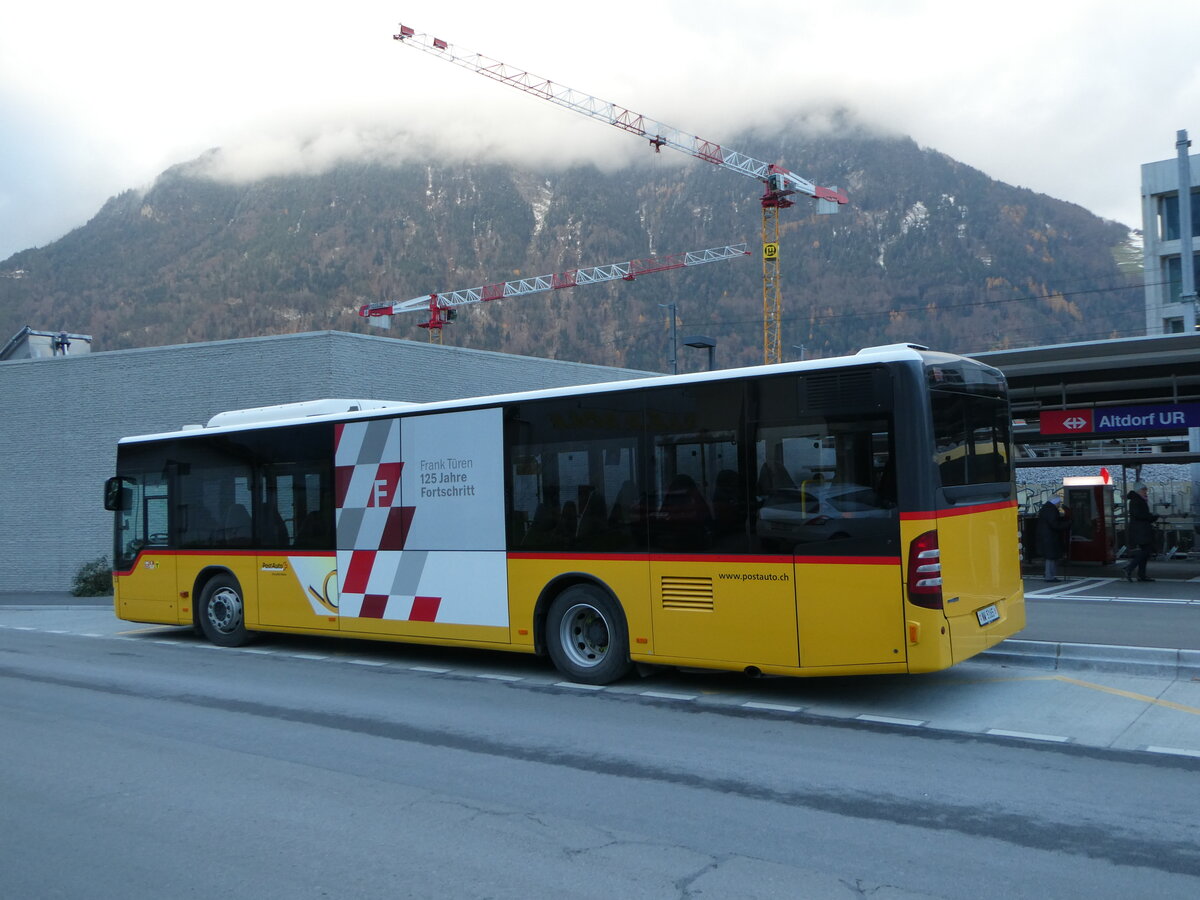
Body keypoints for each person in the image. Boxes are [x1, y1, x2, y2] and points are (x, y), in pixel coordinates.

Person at [1122, 482, 1159, 582]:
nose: (1145, 492)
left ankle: (1141, 574)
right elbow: (1139, 515)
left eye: (1145, 490)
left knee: (1145, 551)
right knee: (1146, 550)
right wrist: (1152, 517)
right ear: (1138, 491)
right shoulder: (1136, 501)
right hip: (1140, 530)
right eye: (1143, 490)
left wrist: (1150, 517)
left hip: (1141, 529)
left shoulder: (1137, 500)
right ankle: (1130, 568)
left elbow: (1140, 515)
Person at [1035, 494, 1071, 582]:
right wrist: (1067, 524)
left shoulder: (1045, 508)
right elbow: (1054, 524)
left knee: (1050, 556)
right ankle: (1049, 576)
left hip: (1046, 536)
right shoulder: (1051, 510)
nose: (1059, 504)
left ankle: (1049, 575)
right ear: (1055, 501)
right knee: (1051, 557)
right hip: (1050, 537)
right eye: (1059, 502)